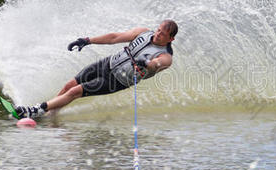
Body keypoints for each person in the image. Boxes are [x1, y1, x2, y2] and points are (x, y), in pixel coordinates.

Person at [15, 19, 178, 119]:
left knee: (75, 92)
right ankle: (49, 114)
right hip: (107, 64)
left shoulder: (166, 57)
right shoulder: (143, 33)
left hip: (117, 81)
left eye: (163, 34)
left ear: (171, 38)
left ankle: (35, 110)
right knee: (68, 86)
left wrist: (146, 63)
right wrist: (87, 40)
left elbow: (156, 64)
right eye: (158, 30)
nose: (158, 34)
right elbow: (114, 37)